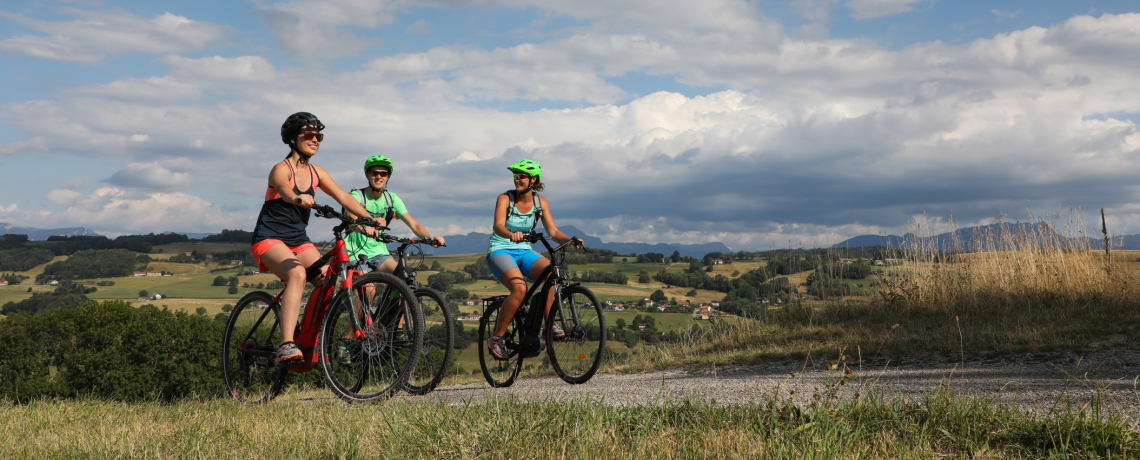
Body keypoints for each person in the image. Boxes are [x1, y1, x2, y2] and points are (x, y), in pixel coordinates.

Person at [250, 112, 381, 367]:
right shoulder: (281, 168)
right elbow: (285, 190)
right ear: (292, 139)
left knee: (328, 280)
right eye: (309, 135)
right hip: (269, 239)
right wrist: (298, 198)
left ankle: (310, 334)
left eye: (318, 136)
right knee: (297, 275)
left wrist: (369, 219)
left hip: (299, 241)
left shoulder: (316, 172)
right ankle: (287, 344)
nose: (315, 140)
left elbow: (344, 198)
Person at [485, 159, 582, 360]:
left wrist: (570, 240)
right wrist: (511, 234)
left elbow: (553, 231)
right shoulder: (505, 199)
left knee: (552, 272)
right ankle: (497, 337)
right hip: (501, 250)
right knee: (520, 288)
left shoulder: (540, 202)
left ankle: (549, 326)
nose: (516, 180)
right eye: (515, 176)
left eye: (521, 176)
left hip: (524, 251)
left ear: (533, 179)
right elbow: (498, 226)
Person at [343, 155, 445, 273]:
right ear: (367, 175)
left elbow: (414, 225)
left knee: (403, 275)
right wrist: (363, 228)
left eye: (383, 174)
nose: (379, 177)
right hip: (355, 253)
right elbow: (350, 218)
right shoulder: (357, 196)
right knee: (369, 290)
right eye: (374, 173)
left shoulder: (391, 199)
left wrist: (431, 239)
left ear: (388, 177)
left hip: (380, 253)